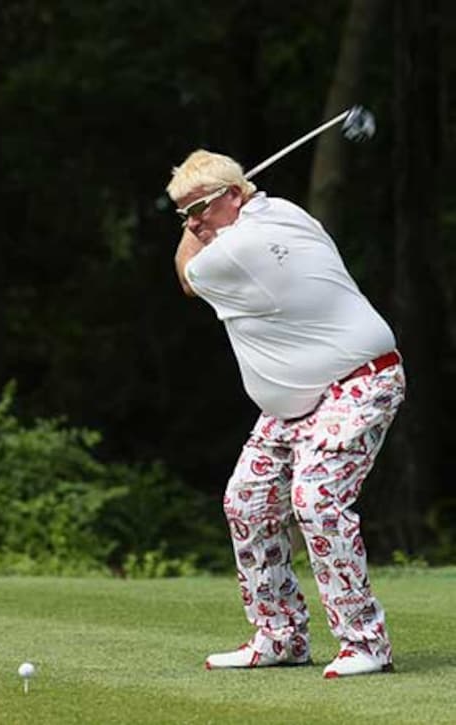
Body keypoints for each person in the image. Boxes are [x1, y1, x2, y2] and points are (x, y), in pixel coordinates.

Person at [167, 150, 405, 679]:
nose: (194, 221)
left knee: (316, 498)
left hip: (360, 382)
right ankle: (279, 637)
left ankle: (365, 642)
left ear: (235, 195)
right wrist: (206, 211)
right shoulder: (283, 211)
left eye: (200, 208)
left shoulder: (240, 250)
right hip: (302, 400)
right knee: (247, 503)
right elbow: (224, 223)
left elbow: (187, 275)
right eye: (184, 214)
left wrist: (191, 233)